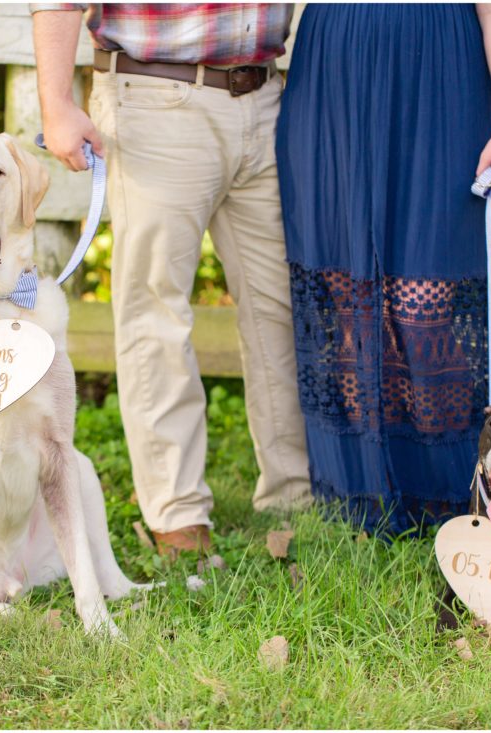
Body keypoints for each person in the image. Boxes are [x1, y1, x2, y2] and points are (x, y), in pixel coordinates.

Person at [31, 4, 312, 556]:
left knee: (284, 307)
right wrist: (56, 102)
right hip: (157, 97)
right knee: (156, 311)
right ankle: (177, 511)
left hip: (268, 98)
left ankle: (292, 493)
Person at [275, 4, 491, 536]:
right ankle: (353, 491)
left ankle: (449, 492)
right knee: (342, 288)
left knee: (429, 292)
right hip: (333, 67)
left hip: (439, 70)